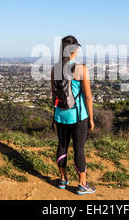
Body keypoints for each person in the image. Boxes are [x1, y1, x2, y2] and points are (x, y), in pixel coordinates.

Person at [50, 35, 96, 195]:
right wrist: (91, 118)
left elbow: (53, 94)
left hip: (60, 115)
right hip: (78, 115)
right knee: (79, 149)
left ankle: (63, 179)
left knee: (62, 146)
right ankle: (82, 184)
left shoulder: (54, 69)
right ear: (74, 50)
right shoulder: (81, 69)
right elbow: (88, 96)